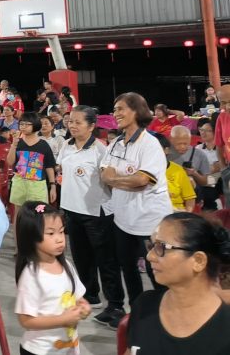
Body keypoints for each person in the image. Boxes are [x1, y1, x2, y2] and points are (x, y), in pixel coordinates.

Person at [101, 92, 174, 304]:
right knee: (128, 267)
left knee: (156, 270)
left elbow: (142, 180)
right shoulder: (115, 144)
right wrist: (120, 179)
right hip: (123, 219)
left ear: (137, 111)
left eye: (121, 108)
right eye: (115, 109)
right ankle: (136, 310)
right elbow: (105, 174)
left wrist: (116, 180)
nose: (116, 113)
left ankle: (164, 313)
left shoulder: (149, 144)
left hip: (151, 221)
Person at [57, 105, 125, 328]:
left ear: (92, 126)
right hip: (71, 210)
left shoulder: (100, 150)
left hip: (96, 213)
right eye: (70, 121)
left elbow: (110, 180)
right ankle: (91, 295)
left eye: (78, 122)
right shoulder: (66, 145)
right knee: (81, 256)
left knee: (105, 260)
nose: (72, 125)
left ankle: (115, 304)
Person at [124, 212, 230, 355]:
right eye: (151, 246)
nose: (149, 256)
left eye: (161, 247)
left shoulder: (224, 327)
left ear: (198, 261)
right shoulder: (145, 305)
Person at [14, 201, 91, 355]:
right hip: (39, 351)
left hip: (67, 347)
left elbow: (77, 296)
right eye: (51, 233)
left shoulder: (66, 265)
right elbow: (26, 320)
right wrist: (63, 320)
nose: (59, 239)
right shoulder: (32, 276)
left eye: (61, 231)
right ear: (31, 237)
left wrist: (84, 306)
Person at [7, 112, 56, 232]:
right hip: (20, 183)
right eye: (21, 124)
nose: (22, 126)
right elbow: (10, 162)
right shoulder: (18, 143)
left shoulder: (43, 145)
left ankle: (37, 247)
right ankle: (19, 248)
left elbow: (49, 167)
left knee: (39, 216)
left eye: (26, 124)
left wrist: (53, 186)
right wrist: (14, 145)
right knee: (19, 216)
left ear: (35, 125)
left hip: (37, 185)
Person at [150, 132, 197, 212]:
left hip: (175, 213)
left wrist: (186, 215)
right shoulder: (142, 170)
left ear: (166, 150)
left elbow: (190, 198)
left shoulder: (178, 170)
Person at [194, 122, 222, 210]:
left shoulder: (221, 148)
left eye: (207, 131)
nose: (203, 133)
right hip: (201, 177)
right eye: (202, 130)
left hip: (218, 178)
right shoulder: (198, 148)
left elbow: (219, 168)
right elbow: (194, 166)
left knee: (207, 184)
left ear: (215, 133)